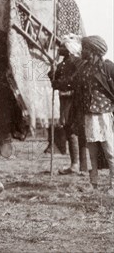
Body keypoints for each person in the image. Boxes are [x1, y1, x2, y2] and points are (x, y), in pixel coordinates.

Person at [73, 36, 114, 194]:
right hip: (88, 114)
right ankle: (93, 183)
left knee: (110, 150)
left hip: (104, 115)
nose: (83, 52)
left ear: (95, 51)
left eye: (86, 49)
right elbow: (75, 85)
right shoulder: (84, 68)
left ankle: (112, 184)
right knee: (92, 150)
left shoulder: (108, 68)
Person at [51, 35, 88, 175]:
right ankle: (76, 165)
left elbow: (72, 81)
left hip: (76, 100)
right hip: (65, 100)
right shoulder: (61, 64)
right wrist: (52, 73)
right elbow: (55, 80)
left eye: (62, 47)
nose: (59, 49)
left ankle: (81, 165)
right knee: (69, 129)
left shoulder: (78, 63)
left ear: (69, 49)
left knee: (77, 130)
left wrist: (59, 83)